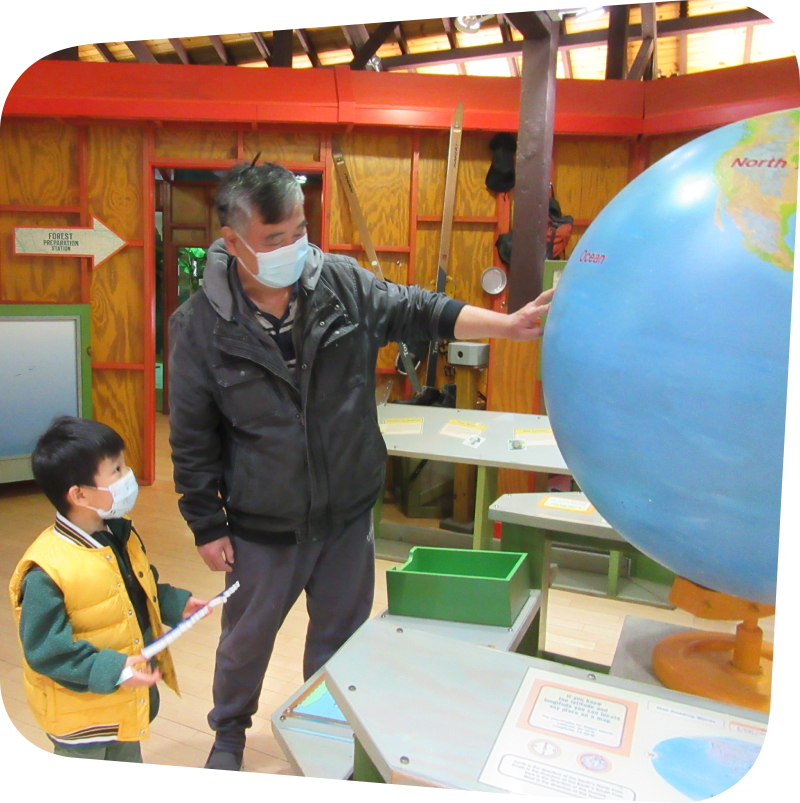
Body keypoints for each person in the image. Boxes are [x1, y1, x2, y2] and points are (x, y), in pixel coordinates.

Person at [168, 161, 554, 771]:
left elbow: (420, 310)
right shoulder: (196, 329)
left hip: (347, 515)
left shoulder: (342, 284)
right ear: (234, 241)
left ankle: (326, 734)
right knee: (245, 642)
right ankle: (230, 733)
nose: (293, 248)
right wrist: (206, 525)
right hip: (260, 525)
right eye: (275, 240)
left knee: (341, 641)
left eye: (300, 230)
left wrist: (506, 325)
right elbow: (192, 439)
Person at [8, 416, 208, 762]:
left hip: (123, 701)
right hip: (80, 716)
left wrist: (175, 603)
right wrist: (112, 670)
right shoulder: (46, 570)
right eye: (116, 470)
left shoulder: (117, 534)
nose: (127, 475)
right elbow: (45, 651)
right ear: (80, 494)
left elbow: (135, 587)